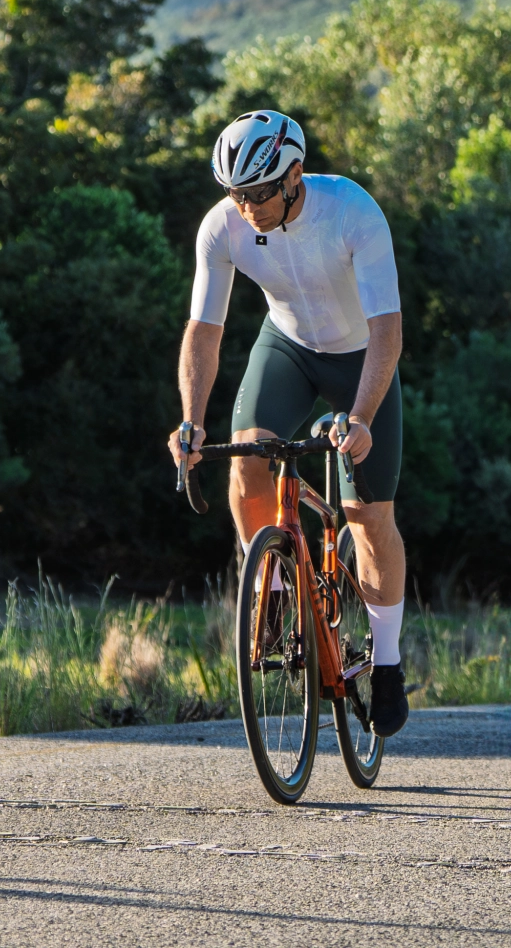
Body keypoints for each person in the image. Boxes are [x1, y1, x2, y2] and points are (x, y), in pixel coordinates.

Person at [167, 109, 409, 736]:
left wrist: (360, 417)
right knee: (246, 455)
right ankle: (272, 589)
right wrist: (191, 423)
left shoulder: (352, 211)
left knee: (368, 518)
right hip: (289, 349)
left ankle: (386, 659)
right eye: (234, 194)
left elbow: (387, 329)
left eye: (258, 193)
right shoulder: (222, 227)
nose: (245, 208)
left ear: (295, 175)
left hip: (361, 360)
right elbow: (204, 329)